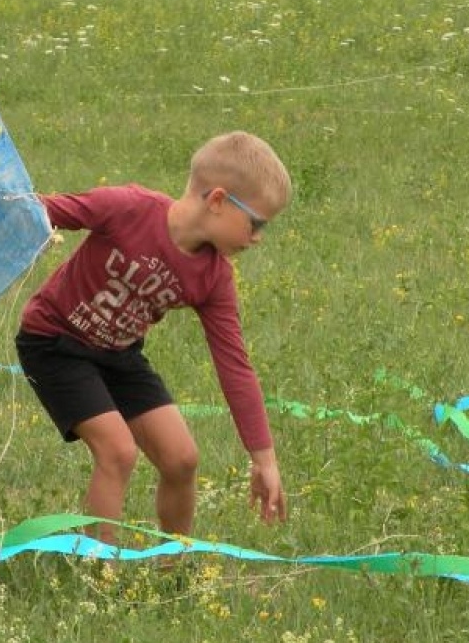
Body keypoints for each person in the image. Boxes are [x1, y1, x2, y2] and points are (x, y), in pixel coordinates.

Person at [16, 131, 291, 543]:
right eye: (256, 223)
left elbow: (235, 366)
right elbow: (45, 210)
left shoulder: (214, 278)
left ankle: (170, 566)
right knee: (118, 451)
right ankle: (100, 575)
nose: (257, 237)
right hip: (54, 343)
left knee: (182, 459)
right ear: (217, 200)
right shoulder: (129, 208)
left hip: (119, 355)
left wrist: (264, 460)